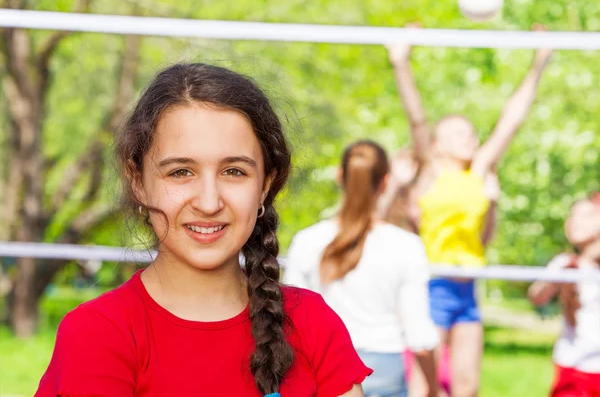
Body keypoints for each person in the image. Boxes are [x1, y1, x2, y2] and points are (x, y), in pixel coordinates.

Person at [35, 63, 372, 397]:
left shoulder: (313, 323)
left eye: (234, 171)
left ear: (265, 185)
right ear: (138, 182)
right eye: (181, 172)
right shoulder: (100, 333)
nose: (209, 203)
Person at [383, 24, 553, 397]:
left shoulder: (479, 173)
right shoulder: (430, 172)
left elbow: (511, 122)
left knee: (467, 388)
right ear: (439, 144)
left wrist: (539, 60)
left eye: (472, 133)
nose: (470, 139)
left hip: (467, 290)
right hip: (432, 285)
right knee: (423, 389)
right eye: (459, 134)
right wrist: (401, 61)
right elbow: (417, 119)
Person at [284, 140, 439, 397]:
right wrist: (433, 390)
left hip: (322, 371)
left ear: (339, 176)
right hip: (385, 371)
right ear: (386, 182)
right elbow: (420, 337)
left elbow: (292, 322)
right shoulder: (406, 246)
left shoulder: (307, 241)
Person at [528, 194, 600, 397]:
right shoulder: (565, 264)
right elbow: (536, 296)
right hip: (574, 367)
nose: (574, 221)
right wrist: (558, 276)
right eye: (572, 215)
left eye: (586, 215)